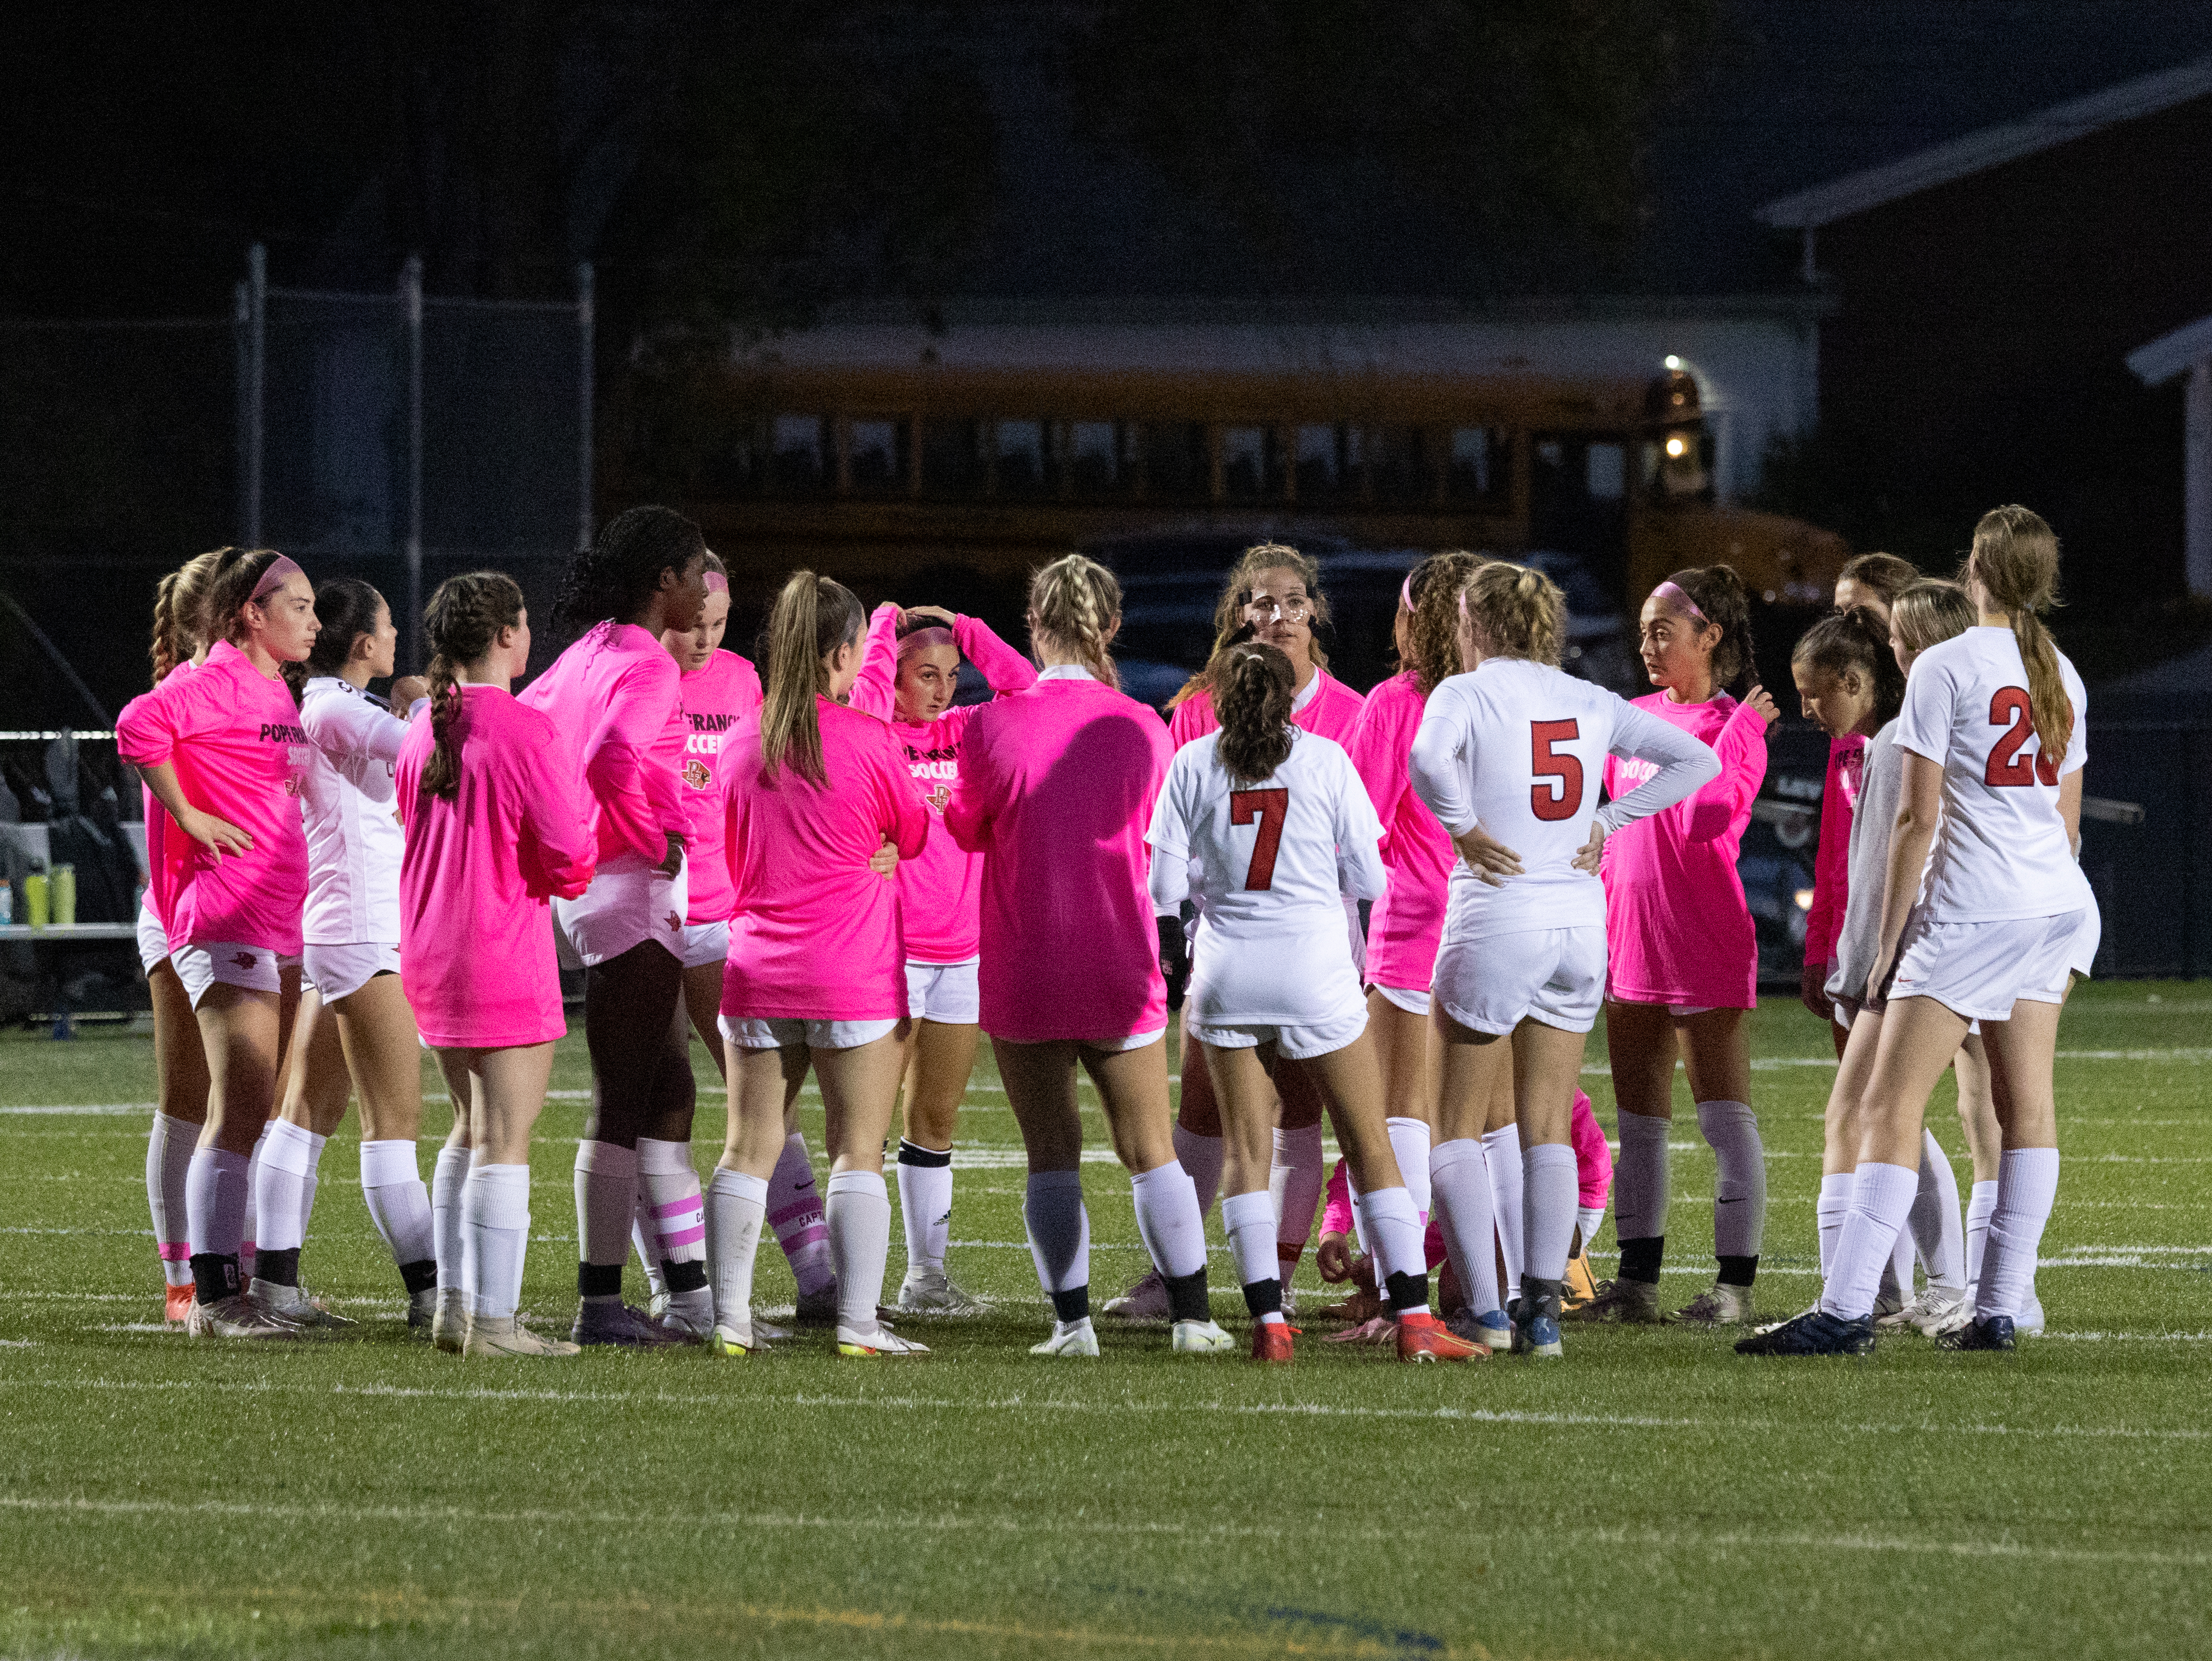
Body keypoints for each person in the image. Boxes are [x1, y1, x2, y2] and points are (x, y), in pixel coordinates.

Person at [1744, 506, 2095, 1355]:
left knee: (1881, 1103)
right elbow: (2069, 822)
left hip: (1974, 905)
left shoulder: (1946, 665)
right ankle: (1998, 1309)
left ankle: (1846, 1309)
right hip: (2055, 902)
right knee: (2024, 1110)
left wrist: (1890, 943)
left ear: (1974, 568)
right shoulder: (2061, 669)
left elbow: (1913, 820)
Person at [1410, 561, 1721, 1357]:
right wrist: (1610, 820)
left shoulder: (1466, 692)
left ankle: (1483, 1309)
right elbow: (1697, 760)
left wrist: (1461, 827)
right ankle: (1541, 1313)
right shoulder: (1587, 698)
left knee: (1454, 1125)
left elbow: (1425, 760)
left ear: (1474, 623)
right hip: (1578, 928)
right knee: (1546, 1124)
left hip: (1498, 918)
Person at [1147, 642, 1480, 1363]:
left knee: (1245, 1148)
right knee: (1368, 1143)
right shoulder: (1325, 759)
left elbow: (1163, 886)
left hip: (1228, 970)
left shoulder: (1192, 761)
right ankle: (1416, 1321)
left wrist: (1212, 898)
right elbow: (1368, 875)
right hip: (1313, 970)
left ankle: (1268, 1323)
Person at [945, 553, 1231, 1359]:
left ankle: (1070, 1325)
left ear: (1033, 625)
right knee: (1149, 1150)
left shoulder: (989, 724)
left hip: (1025, 958)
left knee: (1051, 1153)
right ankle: (1192, 1318)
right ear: (1110, 626)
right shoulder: (1142, 726)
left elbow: (965, 829)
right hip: (1118, 958)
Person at [1111, 542, 1364, 1319]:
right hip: (1222, 937)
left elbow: (1364, 850)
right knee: (1201, 1115)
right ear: (1238, 615)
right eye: (1260, 601)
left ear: (1314, 613)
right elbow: (1167, 835)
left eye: (1291, 601)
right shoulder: (1196, 706)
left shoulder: (1351, 712)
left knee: (1298, 1115)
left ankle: (1275, 1284)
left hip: (1319, 949)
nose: (1276, 615)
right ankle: (1172, 1278)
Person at [700, 571, 929, 1358]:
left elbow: (733, 851)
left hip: (757, 968)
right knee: (856, 1150)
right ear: (842, 653)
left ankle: (728, 1320)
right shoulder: (869, 739)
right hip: (852, 971)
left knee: (746, 1146)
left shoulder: (740, 739)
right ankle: (858, 1327)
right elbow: (916, 834)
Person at [116, 547, 319, 1339]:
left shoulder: (275, 690)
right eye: (297, 604)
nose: (314, 618)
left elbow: (282, 787)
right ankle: (205, 1290)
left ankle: (237, 1283)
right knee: (219, 1105)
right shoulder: (214, 682)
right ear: (248, 614)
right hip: (219, 911)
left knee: (253, 1106)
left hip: (275, 916)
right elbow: (138, 725)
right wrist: (193, 818)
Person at [519, 505, 709, 1345]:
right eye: (698, 570)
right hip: (626, 888)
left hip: (591, 886)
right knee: (626, 1097)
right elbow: (609, 761)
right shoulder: (646, 664)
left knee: (667, 1087)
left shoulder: (587, 650)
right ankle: (600, 1302)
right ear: (664, 580)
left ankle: (686, 1292)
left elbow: (531, 730)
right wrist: (653, 838)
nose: (708, 587)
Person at [398, 571, 597, 1357]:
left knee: (467, 1128)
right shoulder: (522, 729)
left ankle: (456, 1309)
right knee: (505, 1140)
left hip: (430, 951)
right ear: (510, 635)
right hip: (498, 950)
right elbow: (568, 854)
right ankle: (493, 1322)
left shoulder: (424, 725)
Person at [232, 579, 435, 1333]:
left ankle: (276, 1287)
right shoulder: (341, 708)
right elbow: (428, 753)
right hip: (362, 930)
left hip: (341, 926)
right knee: (393, 1124)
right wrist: (441, 703)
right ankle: (431, 1291)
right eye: (388, 628)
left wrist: (412, 699)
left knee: (306, 1113)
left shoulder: (326, 706)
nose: (394, 639)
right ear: (366, 645)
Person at [1580, 564, 1779, 1326]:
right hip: (1629, 939)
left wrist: (1736, 730)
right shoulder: (1629, 716)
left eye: (1663, 630)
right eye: (1642, 632)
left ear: (1710, 636)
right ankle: (1635, 1284)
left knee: (1723, 1120)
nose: (1647, 645)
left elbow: (1707, 816)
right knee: (1639, 1126)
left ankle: (1732, 1287)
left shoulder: (1739, 725)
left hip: (1702, 939)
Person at [848, 592, 1036, 1313]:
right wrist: (880, 628)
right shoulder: (870, 734)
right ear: (892, 675)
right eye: (924, 674)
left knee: (934, 1122)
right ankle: (857, 1289)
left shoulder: (970, 729)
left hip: (961, 955)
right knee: (865, 1128)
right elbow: (862, 708)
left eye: (951, 674)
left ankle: (924, 1279)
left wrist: (965, 627)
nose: (942, 689)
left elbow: (1022, 684)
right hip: (886, 954)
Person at [1791, 603, 1977, 1331]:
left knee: (1867, 1114)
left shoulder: (1903, 740)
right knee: (1944, 1118)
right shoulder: (1914, 737)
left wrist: (1869, 957)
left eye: (1816, 689)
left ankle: (1854, 1304)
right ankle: (1953, 1294)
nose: (1806, 706)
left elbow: (1885, 865)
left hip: (1911, 955)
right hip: (1963, 945)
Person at [1343, 552, 1510, 1317]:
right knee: (1495, 1118)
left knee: (1401, 1112)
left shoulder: (1395, 701)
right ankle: (1503, 1292)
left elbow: (1358, 823)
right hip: (1494, 921)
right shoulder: (1506, 699)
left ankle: (1396, 1300)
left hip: (1413, 921)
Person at [628, 553, 775, 1320]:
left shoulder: (743, 681)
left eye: (718, 625)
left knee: (761, 1093)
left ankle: (816, 1274)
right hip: (644, 908)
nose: (704, 641)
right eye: (693, 625)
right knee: (662, 1098)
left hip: (725, 911)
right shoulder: (630, 673)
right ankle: (672, 1283)